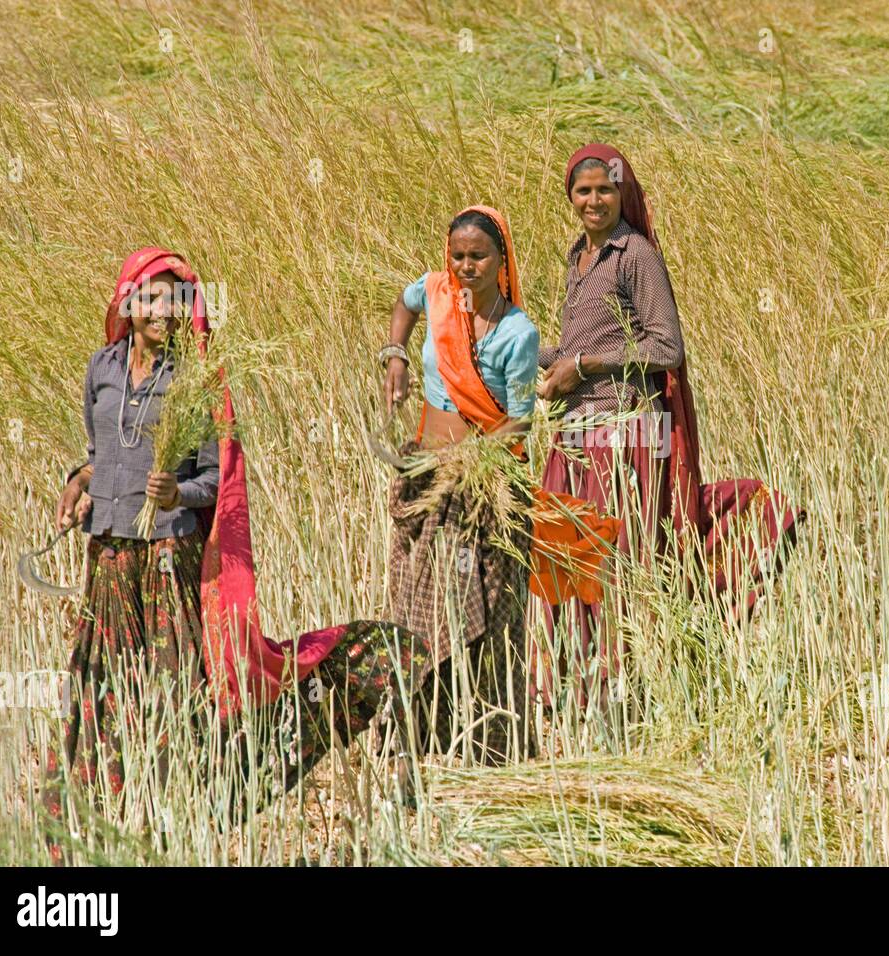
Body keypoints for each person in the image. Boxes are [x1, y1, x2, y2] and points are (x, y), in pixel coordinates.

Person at [43, 248, 412, 862]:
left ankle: (180, 817)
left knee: (178, 688)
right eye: (153, 298)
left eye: (176, 298)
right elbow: (100, 447)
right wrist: (78, 483)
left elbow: (218, 480)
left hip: (168, 558)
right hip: (108, 559)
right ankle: (92, 826)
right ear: (128, 303)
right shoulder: (101, 368)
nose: (165, 310)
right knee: (100, 685)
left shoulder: (199, 380)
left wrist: (175, 492)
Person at [534, 144, 801, 706]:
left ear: (623, 192)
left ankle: (627, 689)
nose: (593, 200)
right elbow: (589, 344)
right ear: (570, 196)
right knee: (568, 561)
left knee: (618, 562)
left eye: (605, 189)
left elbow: (665, 346)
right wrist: (535, 354)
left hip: (626, 434)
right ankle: (579, 692)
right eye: (583, 191)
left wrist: (580, 366)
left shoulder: (636, 255)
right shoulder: (577, 258)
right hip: (577, 435)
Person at [381, 206, 542, 762]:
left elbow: (520, 421)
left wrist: (472, 459)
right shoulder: (436, 294)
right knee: (415, 610)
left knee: (480, 613)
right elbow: (404, 306)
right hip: (428, 479)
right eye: (458, 256)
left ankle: (488, 747)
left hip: (482, 490)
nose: (466, 267)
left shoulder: (517, 333)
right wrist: (396, 356)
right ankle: (417, 737)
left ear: (503, 263)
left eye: (479, 257)